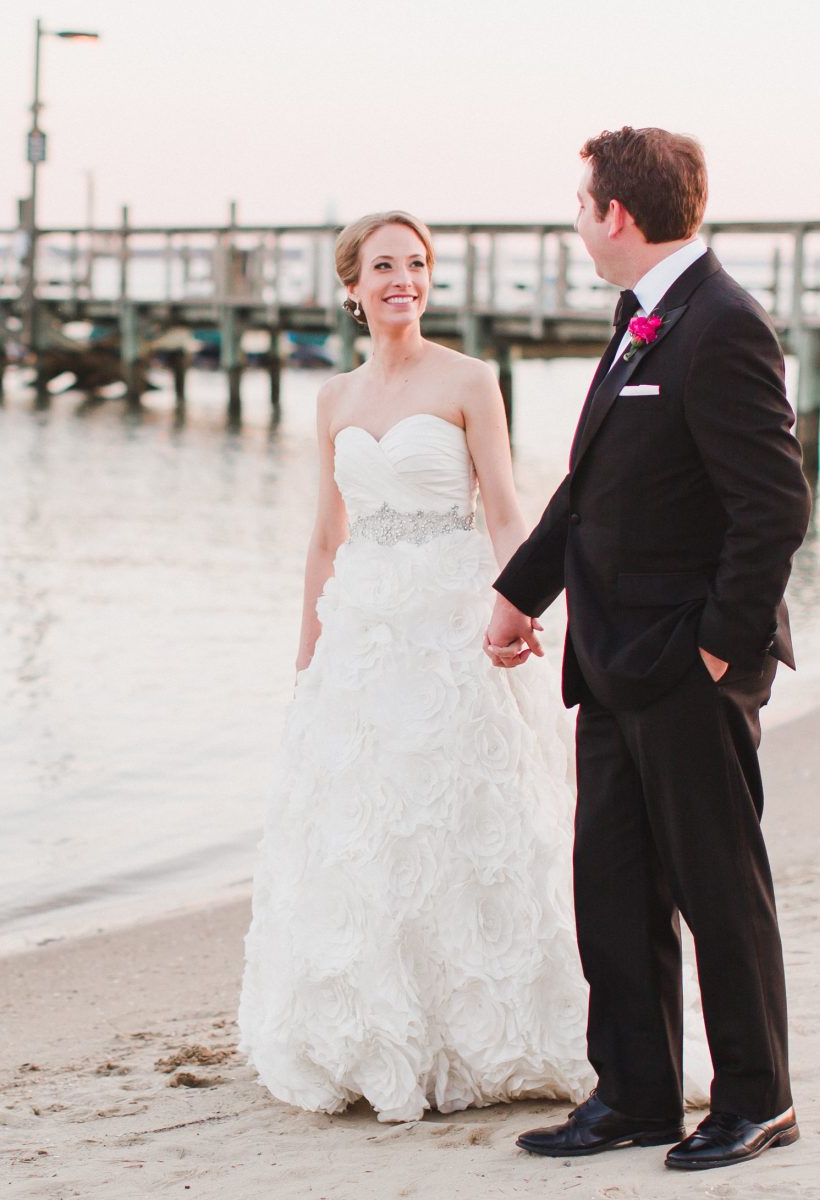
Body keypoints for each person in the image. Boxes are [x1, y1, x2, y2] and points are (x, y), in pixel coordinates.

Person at [488, 127, 813, 1171]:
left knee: (718, 888)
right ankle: (632, 1095)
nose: (576, 219)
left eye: (580, 202)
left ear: (613, 215)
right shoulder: (642, 320)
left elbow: (773, 506)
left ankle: (756, 1098)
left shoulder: (720, 324)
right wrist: (517, 593)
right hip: (611, 659)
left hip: (685, 664)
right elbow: (594, 489)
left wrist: (719, 649)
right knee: (613, 888)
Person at [237, 210, 592, 1123]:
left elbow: (509, 511)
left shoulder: (471, 380)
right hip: (362, 632)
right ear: (352, 287)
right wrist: (308, 660)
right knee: (369, 829)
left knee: (471, 819)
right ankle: (378, 1029)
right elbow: (325, 537)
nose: (405, 279)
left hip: (453, 623)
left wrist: (526, 601)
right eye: (385, 266)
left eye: (418, 264)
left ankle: (491, 1027)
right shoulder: (334, 401)